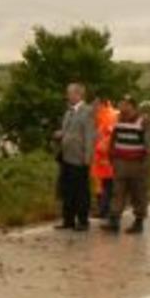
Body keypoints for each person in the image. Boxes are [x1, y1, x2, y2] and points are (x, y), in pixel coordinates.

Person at [102, 95, 150, 234]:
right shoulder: (118, 119)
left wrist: (146, 165)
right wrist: (111, 157)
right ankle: (114, 221)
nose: (120, 106)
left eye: (123, 104)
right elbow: (113, 140)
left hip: (137, 164)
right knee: (117, 192)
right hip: (120, 163)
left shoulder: (144, 121)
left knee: (138, 193)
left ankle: (139, 221)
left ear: (131, 106)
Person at [54, 83, 95, 232]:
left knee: (81, 191)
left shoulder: (87, 112)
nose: (67, 96)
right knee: (67, 190)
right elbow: (69, 131)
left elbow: (89, 136)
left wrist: (87, 158)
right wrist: (61, 134)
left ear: (78, 95)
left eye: (70, 93)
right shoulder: (68, 112)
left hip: (79, 158)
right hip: (66, 156)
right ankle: (68, 220)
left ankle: (83, 220)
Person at [91, 97, 117, 219]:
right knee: (100, 183)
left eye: (95, 104)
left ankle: (105, 209)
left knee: (107, 183)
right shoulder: (99, 116)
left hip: (106, 157)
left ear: (102, 104)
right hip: (99, 157)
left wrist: (102, 147)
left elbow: (111, 136)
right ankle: (102, 208)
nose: (93, 107)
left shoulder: (110, 116)